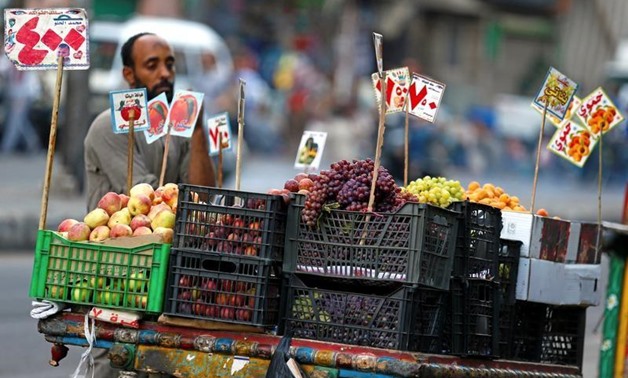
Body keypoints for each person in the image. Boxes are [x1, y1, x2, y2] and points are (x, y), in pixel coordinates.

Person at [84, 32, 216, 378]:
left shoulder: (179, 128)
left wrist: (198, 129)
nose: (165, 74)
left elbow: (204, 197)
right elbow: (150, 198)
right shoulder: (110, 127)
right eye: (152, 65)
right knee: (115, 360)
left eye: (169, 64)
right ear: (129, 75)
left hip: (163, 271)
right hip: (117, 271)